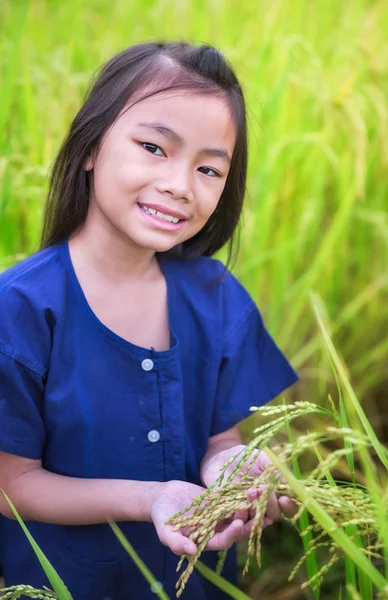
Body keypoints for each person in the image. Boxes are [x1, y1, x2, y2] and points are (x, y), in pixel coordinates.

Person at [0, 41, 299, 599]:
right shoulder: (19, 310)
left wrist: (236, 468)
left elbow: (219, 440)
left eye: (209, 168)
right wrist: (151, 497)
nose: (181, 185)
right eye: (154, 148)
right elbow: (12, 484)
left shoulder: (214, 295)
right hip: (71, 583)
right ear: (91, 146)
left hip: (198, 583)